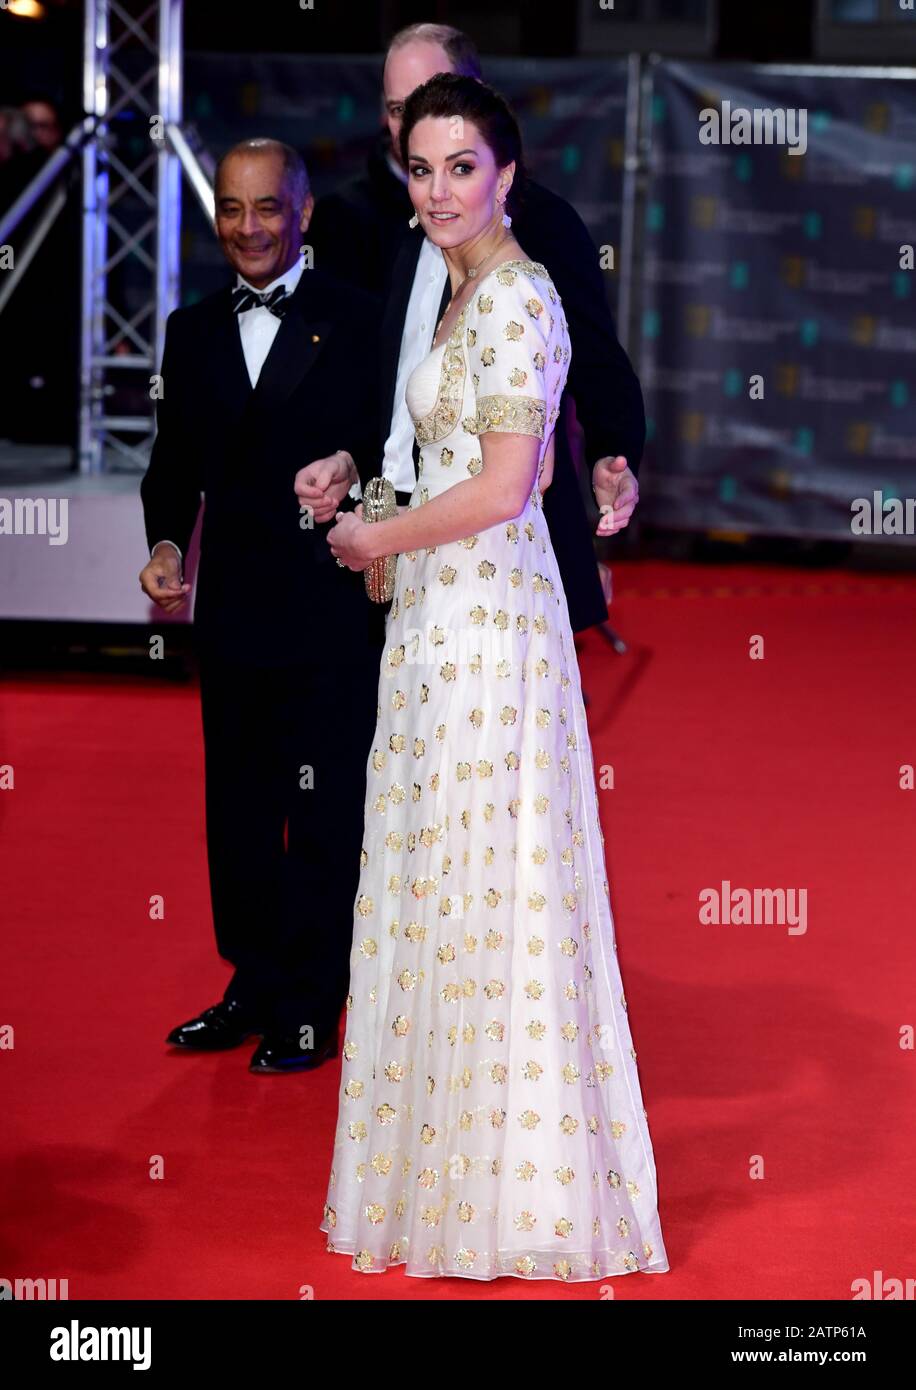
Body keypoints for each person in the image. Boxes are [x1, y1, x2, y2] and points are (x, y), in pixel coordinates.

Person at [317, 74, 668, 1283]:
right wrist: (363, 496)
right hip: (436, 627)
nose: (439, 190)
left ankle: (518, 1188)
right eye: (420, 169)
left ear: (507, 174)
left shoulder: (517, 296)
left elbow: (508, 489)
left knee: (494, 884)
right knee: (443, 884)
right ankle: (452, 1171)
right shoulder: (461, 292)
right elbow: (444, 471)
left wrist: (375, 540)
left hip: (488, 641)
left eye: (462, 166)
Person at [139, 139, 385, 1073]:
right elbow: (174, 466)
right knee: (238, 810)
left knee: (321, 812)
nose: (249, 228)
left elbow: (391, 442)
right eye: (233, 211)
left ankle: (313, 1005)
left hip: (328, 611)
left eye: (268, 208)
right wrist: (166, 542)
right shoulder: (190, 329)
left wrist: (355, 468)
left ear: (305, 212)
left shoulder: (359, 321)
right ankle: (251, 984)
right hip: (234, 611)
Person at [308, 22, 642, 636]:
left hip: (490, 563)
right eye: (397, 109)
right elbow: (382, 382)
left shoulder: (540, 232)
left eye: (433, 97)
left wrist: (612, 454)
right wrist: (351, 461)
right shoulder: (388, 229)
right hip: (385, 547)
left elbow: (596, 362)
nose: (416, 121)